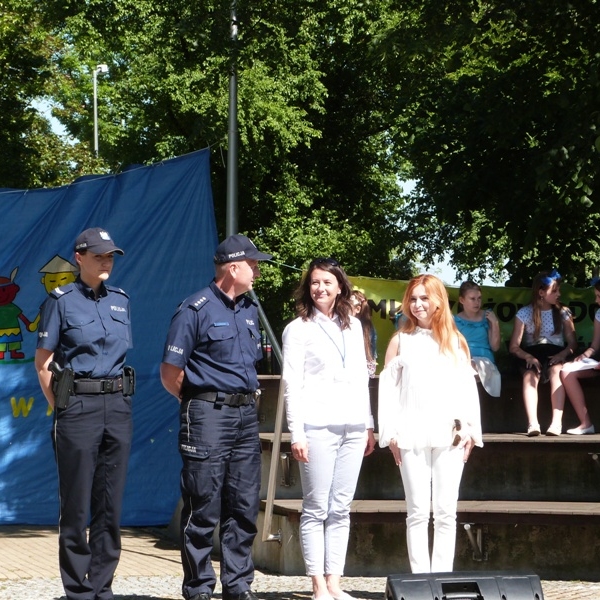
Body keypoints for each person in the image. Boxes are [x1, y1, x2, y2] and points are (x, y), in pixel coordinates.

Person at [160, 234, 272, 600]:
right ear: (233, 268)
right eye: (253, 265)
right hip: (208, 414)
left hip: (245, 415)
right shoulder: (195, 309)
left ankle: (237, 586)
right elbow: (170, 372)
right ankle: (199, 588)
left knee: (243, 504)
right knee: (203, 503)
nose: (258, 272)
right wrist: (200, 402)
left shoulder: (250, 309)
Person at [34, 227, 134, 600]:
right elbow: (43, 363)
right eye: (98, 256)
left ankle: (102, 586)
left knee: (110, 504)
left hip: (117, 405)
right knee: (76, 505)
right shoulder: (60, 301)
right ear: (79, 258)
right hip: (77, 407)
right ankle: (78, 590)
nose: (106, 262)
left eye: (110, 256)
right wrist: (61, 405)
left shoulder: (121, 300)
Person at [282, 257, 376, 600]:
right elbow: (292, 384)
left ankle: (335, 581)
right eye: (314, 282)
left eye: (327, 282)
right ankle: (317, 585)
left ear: (340, 287)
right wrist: (297, 432)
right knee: (316, 507)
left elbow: (361, 379)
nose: (320, 288)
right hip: (317, 426)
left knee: (341, 508)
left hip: (353, 426)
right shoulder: (298, 329)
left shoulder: (353, 326)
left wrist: (368, 424)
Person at [378, 274, 482, 574]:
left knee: (446, 512)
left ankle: (441, 579)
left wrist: (470, 430)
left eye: (425, 298)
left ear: (438, 301)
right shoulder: (400, 341)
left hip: (449, 434)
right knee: (417, 512)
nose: (418, 304)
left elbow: (466, 389)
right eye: (413, 298)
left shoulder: (456, 341)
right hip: (410, 433)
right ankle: (420, 582)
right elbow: (388, 390)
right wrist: (390, 433)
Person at [508, 269, 577, 437]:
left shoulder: (563, 312)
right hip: (532, 353)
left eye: (558, 290)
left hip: (555, 351)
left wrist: (563, 354)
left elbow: (572, 343)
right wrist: (528, 356)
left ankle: (556, 423)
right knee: (529, 376)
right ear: (541, 293)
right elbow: (514, 346)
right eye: (554, 291)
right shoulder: (524, 313)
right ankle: (533, 423)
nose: (559, 294)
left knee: (557, 372)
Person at [559, 278, 600, 435]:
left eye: (599, 296)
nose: (596, 300)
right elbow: (595, 346)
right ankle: (586, 423)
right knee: (566, 371)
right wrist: (584, 355)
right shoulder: (599, 314)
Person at [454, 281, 502, 397]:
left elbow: (495, 347)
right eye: (472, 299)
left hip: (484, 360)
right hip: (463, 359)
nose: (477, 302)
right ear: (462, 300)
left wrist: (495, 323)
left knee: (470, 369)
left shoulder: (487, 316)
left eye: (479, 298)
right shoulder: (454, 321)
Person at [350, 290, 378, 377]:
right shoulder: (369, 327)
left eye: (346, 305)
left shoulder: (366, 328)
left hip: (357, 373)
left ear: (357, 309)